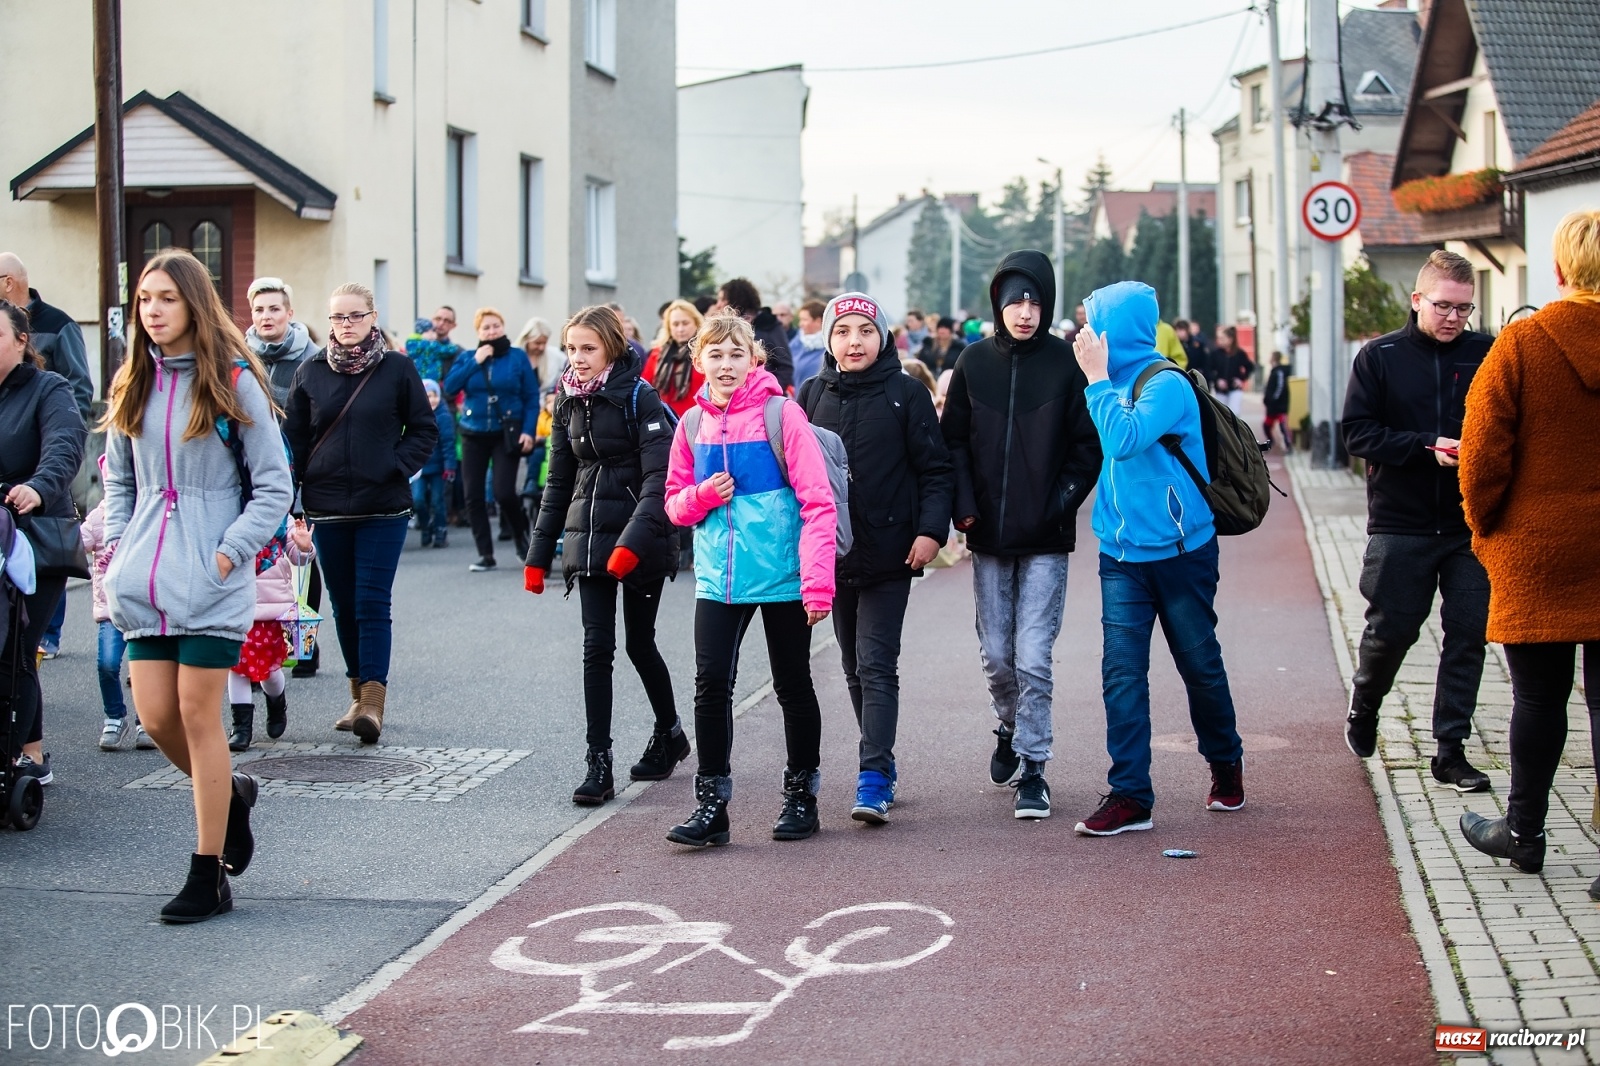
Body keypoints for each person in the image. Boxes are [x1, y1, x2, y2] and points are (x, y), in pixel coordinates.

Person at [99, 249, 293, 922]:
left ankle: (207, 872)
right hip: (146, 583)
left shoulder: (233, 383)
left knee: (197, 715)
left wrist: (228, 555)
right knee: (154, 717)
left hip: (213, 581)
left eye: (166, 298)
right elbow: (119, 483)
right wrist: (122, 550)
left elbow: (273, 486)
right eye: (145, 298)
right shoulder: (133, 384)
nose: (152, 310)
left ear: (194, 304)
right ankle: (233, 793)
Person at [1456, 210, 1600, 902]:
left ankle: (1525, 835)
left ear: (1560, 271)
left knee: (1538, 698)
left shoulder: (1522, 344)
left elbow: (1482, 455)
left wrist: (1485, 530)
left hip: (1536, 550)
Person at [1069, 281, 1246, 836]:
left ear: (1117, 329)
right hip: (1120, 556)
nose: (1085, 333)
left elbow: (1125, 438)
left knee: (1199, 664)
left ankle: (1225, 761)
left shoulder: (1164, 383)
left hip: (1180, 554)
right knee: (1121, 674)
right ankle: (1130, 795)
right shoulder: (1104, 381)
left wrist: (1097, 380)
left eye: (1093, 322)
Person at [662, 312, 836, 846]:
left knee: (792, 684)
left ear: (754, 358)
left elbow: (817, 502)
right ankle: (712, 805)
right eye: (715, 354)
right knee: (710, 684)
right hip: (719, 578)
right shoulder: (691, 425)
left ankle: (801, 795)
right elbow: (673, 504)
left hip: (784, 577)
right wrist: (703, 496)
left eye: (737, 353)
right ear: (699, 363)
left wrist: (817, 583)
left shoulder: (783, 416)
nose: (727, 364)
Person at [941, 251, 1103, 818]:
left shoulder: (1065, 365)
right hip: (985, 534)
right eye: (1015, 301)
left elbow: (1088, 450)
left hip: (1045, 536)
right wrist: (963, 508)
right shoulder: (973, 363)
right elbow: (952, 442)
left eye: (1035, 300)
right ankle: (1009, 725)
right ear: (998, 305)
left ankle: (1035, 766)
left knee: (1034, 655)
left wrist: (1057, 505)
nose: (1026, 311)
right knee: (995, 655)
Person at [1340, 250, 1493, 792]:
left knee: (1468, 637)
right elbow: (1357, 433)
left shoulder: (1488, 353)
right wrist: (1424, 446)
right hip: (1400, 523)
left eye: (1464, 309)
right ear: (1417, 300)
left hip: (1469, 526)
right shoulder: (1379, 356)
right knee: (1393, 631)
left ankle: (1450, 751)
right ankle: (1366, 703)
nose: (1454, 318)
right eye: (1444, 306)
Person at [799, 293, 953, 823]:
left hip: (892, 551)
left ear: (883, 336)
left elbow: (935, 469)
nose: (854, 341)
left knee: (875, 662)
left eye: (865, 330)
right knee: (850, 666)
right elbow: (795, 474)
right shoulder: (812, 395)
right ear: (829, 340)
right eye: (842, 332)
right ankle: (881, 763)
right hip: (834, 555)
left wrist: (932, 531)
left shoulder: (906, 394)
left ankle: (873, 775)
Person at [524, 306, 686, 805]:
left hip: (641, 538)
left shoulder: (642, 397)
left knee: (639, 643)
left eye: (588, 348)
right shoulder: (568, 399)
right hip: (588, 534)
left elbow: (659, 483)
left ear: (612, 348)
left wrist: (631, 545)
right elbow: (558, 481)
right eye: (572, 348)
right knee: (597, 648)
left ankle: (670, 733)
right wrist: (537, 552)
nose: (578, 358)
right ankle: (599, 762)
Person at [283, 283, 437, 743]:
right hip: (327, 508)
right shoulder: (309, 372)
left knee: (372, 601)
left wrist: (395, 467)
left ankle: (373, 701)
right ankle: (356, 694)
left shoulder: (397, 368)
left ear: (372, 317)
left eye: (354, 316)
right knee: (344, 605)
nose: (345, 325)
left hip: (383, 507)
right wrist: (296, 499)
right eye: (337, 318)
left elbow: (424, 429)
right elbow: (294, 440)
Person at [0, 299, 86, 787]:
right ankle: (28, 752)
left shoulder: (46, 388)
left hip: (33, 538)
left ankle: (18, 756)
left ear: (21, 340)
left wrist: (38, 486)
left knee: (16, 645)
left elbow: (65, 445)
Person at [441, 307, 539, 571]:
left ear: (503, 327)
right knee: (473, 496)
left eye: (496, 326)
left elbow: (531, 397)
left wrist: (529, 431)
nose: (492, 331)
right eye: (486, 327)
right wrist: (476, 361)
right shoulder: (469, 357)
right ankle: (485, 554)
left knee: (504, 492)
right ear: (478, 332)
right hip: (473, 432)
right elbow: (449, 388)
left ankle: (522, 538)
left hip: (506, 432)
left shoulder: (517, 358)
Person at [226, 515, 316, 752]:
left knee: (269, 670)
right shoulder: (226, 510)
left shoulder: (277, 516)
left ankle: (277, 702)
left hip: (270, 607)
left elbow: (298, 556)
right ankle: (241, 728)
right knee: (237, 667)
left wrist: (304, 546)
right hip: (235, 606)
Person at [80, 458, 151, 750]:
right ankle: (114, 716)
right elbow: (77, 544)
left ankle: (146, 721)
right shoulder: (99, 518)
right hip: (111, 609)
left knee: (145, 668)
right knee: (108, 664)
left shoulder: (149, 514)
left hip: (145, 609)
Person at [0, 252, 94, 421]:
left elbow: (79, 390)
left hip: (47, 440)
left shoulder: (60, 326)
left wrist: (63, 437)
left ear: (8, 283)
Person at [244, 278, 317, 409]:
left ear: (289, 314)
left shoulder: (313, 358)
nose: (265, 316)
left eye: (274, 309)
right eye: (259, 310)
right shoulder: (240, 356)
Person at [716, 278, 795, 391]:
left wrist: (770, 391)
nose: (718, 305)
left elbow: (785, 366)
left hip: (765, 399)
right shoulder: (725, 329)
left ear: (736, 299)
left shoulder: (769, 325)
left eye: (722, 299)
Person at [641, 299, 705, 418]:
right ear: (669, 327)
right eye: (675, 324)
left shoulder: (705, 352)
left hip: (696, 420)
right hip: (665, 420)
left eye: (685, 323)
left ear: (696, 323)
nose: (680, 329)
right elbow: (645, 387)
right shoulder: (658, 353)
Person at [413, 379, 457, 548]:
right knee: (418, 500)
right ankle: (425, 526)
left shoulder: (443, 417)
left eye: (432, 396)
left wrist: (450, 467)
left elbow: (448, 444)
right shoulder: (415, 416)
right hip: (418, 468)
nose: (430, 400)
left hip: (438, 467)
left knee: (437, 501)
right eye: (426, 396)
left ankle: (440, 529)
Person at [405, 305, 463, 386]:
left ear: (453, 325)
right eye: (438, 319)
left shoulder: (457, 352)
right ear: (432, 320)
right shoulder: (416, 345)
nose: (441, 323)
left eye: (446, 321)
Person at [1212, 326, 1254, 413]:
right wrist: (1217, 380)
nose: (1220, 341)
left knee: (1234, 412)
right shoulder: (1215, 354)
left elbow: (1249, 367)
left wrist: (1241, 379)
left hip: (1235, 388)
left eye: (1223, 338)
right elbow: (1208, 369)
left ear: (1230, 339)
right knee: (1222, 413)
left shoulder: (1239, 353)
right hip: (1221, 390)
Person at [789, 300, 828, 387]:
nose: (800, 324)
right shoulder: (795, 343)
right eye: (800, 319)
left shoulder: (830, 348)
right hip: (797, 398)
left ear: (818, 321)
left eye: (804, 320)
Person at [1262, 351, 1293, 452]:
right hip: (1272, 406)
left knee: (1283, 426)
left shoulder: (1279, 371)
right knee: (1266, 425)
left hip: (1279, 405)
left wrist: (1273, 399)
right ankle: (1272, 441)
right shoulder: (1273, 371)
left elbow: (1280, 387)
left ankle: (1288, 445)